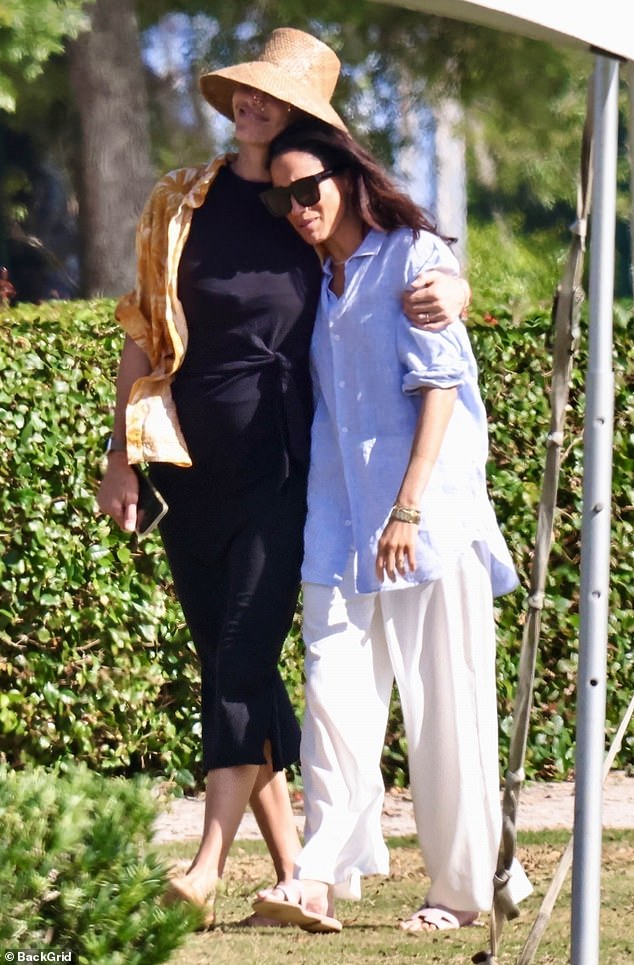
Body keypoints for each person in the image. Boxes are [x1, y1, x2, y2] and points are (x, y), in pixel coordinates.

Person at [96, 28, 470, 929]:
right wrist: (119, 452)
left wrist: (453, 290)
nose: (253, 106)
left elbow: (414, 263)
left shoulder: (318, 206)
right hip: (188, 467)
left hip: (288, 471)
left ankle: (204, 866)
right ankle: (298, 870)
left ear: (303, 116)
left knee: (244, 655)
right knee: (230, 665)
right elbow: (144, 327)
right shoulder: (181, 200)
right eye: (246, 93)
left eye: (275, 97)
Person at [253, 119, 531, 934]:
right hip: (337, 524)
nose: (299, 207)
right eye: (285, 196)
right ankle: (316, 877)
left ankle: (461, 889)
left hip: (427, 517)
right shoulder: (314, 278)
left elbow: (440, 384)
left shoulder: (413, 256)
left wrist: (407, 506)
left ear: (347, 177)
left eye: (310, 188)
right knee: (332, 692)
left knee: (446, 708)